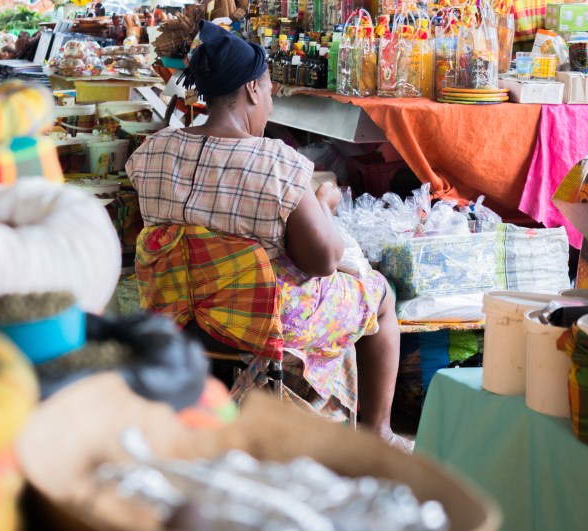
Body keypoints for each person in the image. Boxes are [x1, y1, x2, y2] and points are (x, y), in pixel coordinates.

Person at [127, 21, 412, 453]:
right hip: (261, 322)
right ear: (253, 91)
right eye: (271, 93)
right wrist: (324, 204)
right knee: (381, 295)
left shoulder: (154, 150)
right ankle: (378, 433)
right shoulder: (275, 162)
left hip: (180, 314)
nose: (270, 104)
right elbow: (323, 261)